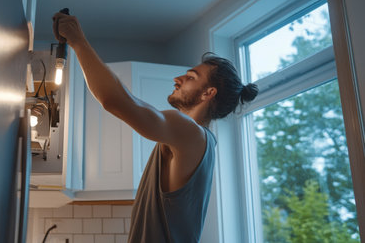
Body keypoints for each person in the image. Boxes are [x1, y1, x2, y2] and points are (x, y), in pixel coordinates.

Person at [53, 13, 258, 243]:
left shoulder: (191, 132)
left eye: (191, 77)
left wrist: (77, 41)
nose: (178, 78)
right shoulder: (198, 141)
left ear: (208, 93)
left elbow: (117, 101)